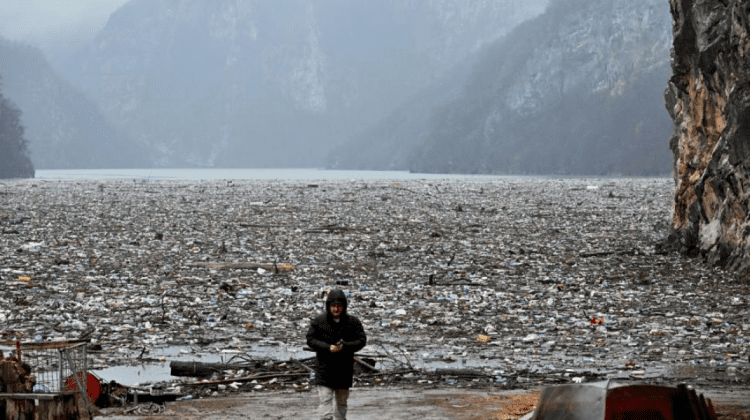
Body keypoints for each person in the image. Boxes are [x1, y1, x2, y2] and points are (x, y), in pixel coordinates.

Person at [306, 288, 367, 420]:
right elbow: (310, 340)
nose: (336, 309)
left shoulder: (353, 322)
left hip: (344, 369)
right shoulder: (319, 321)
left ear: (344, 306)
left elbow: (361, 340)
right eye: (333, 306)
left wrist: (345, 346)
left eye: (339, 306)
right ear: (328, 306)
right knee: (325, 400)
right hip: (324, 369)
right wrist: (328, 347)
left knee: (342, 402)